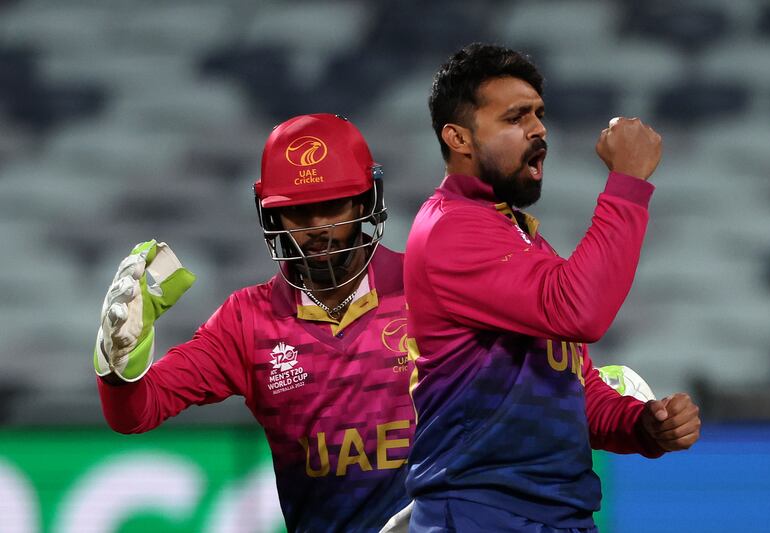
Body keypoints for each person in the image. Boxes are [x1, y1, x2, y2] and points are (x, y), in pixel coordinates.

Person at [403, 43, 701, 532]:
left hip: (554, 517)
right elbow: (580, 311)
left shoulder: (516, 237)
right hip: (484, 517)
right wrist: (627, 181)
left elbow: (571, 386)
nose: (539, 129)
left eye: (539, 114)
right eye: (516, 117)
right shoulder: (451, 230)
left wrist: (642, 424)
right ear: (459, 138)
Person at [93, 113, 417, 532]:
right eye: (299, 212)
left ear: (364, 200)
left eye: (332, 207)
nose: (318, 228)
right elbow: (134, 415)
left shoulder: (429, 291)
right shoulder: (247, 321)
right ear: (272, 217)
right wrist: (119, 363)